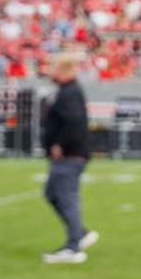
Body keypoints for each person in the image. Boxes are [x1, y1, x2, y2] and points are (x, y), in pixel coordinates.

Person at [40, 53, 97, 263]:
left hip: (70, 155)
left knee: (66, 197)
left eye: (53, 68)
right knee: (52, 193)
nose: (49, 72)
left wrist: (60, 144)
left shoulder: (69, 92)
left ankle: (74, 247)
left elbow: (73, 121)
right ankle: (79, 233)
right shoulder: (66, 91)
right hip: (69, 154)